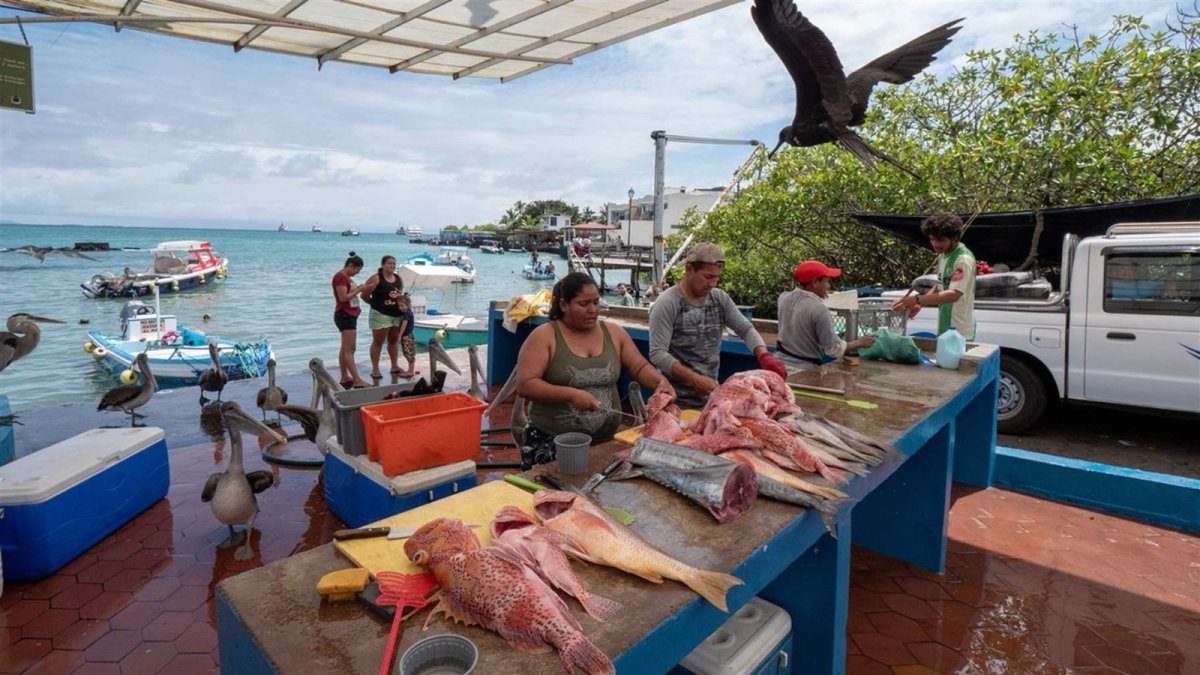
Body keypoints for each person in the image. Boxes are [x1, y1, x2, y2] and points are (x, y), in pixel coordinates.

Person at [515, 272, 674, 469]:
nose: (592, 310)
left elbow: (639, 366)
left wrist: (660, 382)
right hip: (554, 442)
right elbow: (526, 385)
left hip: (606, 442)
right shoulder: (544, 336)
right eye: (584, 304)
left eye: (596, 302)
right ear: (564, 305)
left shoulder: (614, 333)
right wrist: (571, 395)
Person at [648, 243, 788, 409]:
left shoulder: (719, 299)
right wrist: (693, 379)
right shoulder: (668, 303)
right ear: (689, 269)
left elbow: (745, 328)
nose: (713, 283)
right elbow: (658, 354)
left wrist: (764, 355)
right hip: (674, 401)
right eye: (708, 277)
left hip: (709, 400)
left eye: (716, 277)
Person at [776, 260, 876, 371]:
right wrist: (860, 342)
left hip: (778, 365)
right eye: (826, 281)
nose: (828, 286)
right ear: (815, 283)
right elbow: (833, 349)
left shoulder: (783, 298)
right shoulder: (819, 309)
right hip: (802, 370)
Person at [891, 214, 977, 340]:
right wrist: (919, 305)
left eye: (940, 240)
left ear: (954, 238)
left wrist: (917, 299)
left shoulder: (962, 259)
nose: (935, 244)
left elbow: (954, 293)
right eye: (932, 239)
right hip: (945, 327)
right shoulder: (944, 255)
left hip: (959, 330)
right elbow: (941, 284)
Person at [359, 255, 406, 378]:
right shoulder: (376, 278)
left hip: (396, 314)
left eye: (394, 264)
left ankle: (394, 365)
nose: (392, 266)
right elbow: (364, 295)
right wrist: (373, 303)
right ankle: (375, 369)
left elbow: (400, 294)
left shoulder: (398, 278)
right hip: (380, 314)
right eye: (389, 263)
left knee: (393, 340)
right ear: (383, 265)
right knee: (378, 341)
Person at [332, 251, 370, 388]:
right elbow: (343, 298)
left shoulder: (346, 277)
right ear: (351, 265)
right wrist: (359, 289)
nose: (357, 273)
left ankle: (344, 376)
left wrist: (362, 288)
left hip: (349, 314)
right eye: (357, 270)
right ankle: (357, 379)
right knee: (350, 349)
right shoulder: (340, 277)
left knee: (345, 348)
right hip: (344, 314)